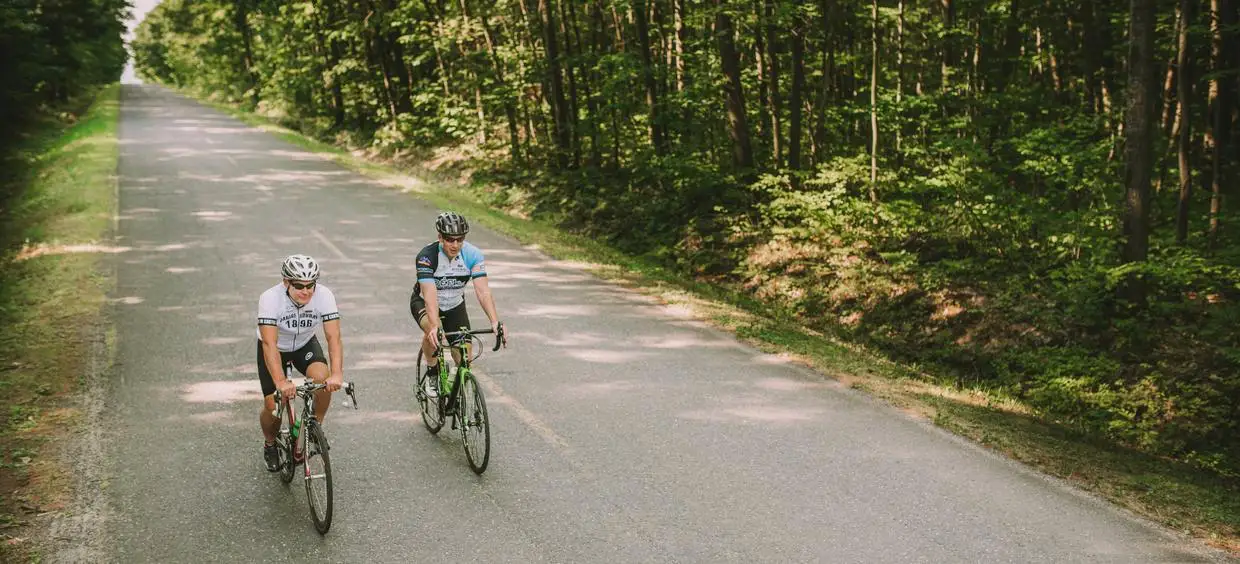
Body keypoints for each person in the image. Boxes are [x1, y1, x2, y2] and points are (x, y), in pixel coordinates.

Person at [256, 254, 345, 472]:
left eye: (310, 285)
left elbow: (334, 337)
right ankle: (270, 444)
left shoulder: (324, 295)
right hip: (276, 348)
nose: (306, 291)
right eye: (299, 285)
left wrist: (337, 373)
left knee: (322, 379)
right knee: (273, 406)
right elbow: (269, 343)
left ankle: (315, 428)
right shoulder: (270, 298)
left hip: (304, 343)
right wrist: (280, 381)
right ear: (286, 282)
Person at [410, 212, 506, 400]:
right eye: (449, 239)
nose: (455, 244)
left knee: (465, 358)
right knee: (432, 332)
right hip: (425, 302)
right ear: (440, 237)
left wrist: (495, 322)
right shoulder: (426, 257)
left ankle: (454, 387)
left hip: (454, 304)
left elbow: (483, 291)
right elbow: (430, 296)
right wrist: (435, 326)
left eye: (460, 239)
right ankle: (432, 372)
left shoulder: (472, 255)